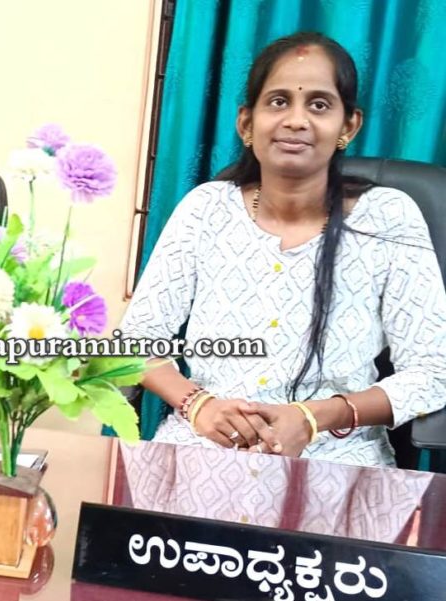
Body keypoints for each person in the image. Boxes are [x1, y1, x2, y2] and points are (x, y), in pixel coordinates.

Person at [120, 32, 446, 467]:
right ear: (246, 123)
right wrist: (200, 405)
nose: (296, 120)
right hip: (201, 449)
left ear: (349, 126)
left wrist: (313, 418)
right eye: (278, 102)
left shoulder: (388, 218)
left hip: (338, 459)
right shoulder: (205, 209)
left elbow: (434, 372)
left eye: (319, 105)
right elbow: (136, 342)